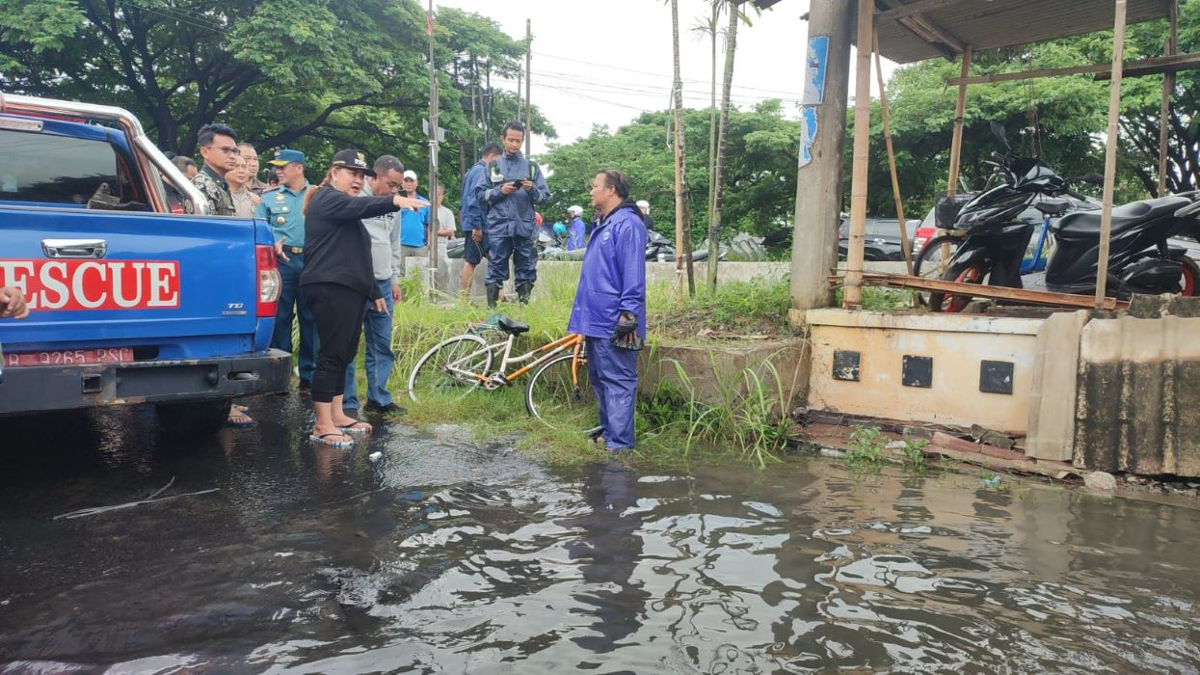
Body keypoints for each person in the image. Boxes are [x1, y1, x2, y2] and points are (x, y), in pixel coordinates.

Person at [300, 149, 427, 447]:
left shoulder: (346, 207)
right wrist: (395, 200)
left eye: (361, 175)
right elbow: (363, 208)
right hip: (329, 286)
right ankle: (321, 424)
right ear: (334, 173)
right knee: (331, 355)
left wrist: (373, 292)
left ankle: (338, 414)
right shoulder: (327, 198)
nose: (357, 180)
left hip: (350, 288)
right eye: (351, 173)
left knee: (344, 353)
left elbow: (359, 256)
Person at [567, 170, 648, 452]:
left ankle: (620, 445)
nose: (591, 191)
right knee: (600, 380)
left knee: (619, 381)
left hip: (616, 321)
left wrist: (628, 317)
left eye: (595, 186)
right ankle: (608, 433)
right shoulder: (603, 223)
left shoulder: (628, 224)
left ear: (611, 190)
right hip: (594, 320)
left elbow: (633, 277)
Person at [343, 155, 407, 417]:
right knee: (346, 344)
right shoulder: (355, 201)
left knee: (381, 343)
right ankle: (347, 402)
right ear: (374, 177)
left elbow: (394, 245)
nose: (394, 191)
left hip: (382, 282)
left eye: (398, 187)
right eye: (391, 184)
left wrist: (393, 279)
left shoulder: (394, 206)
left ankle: (378, 398)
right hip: (355, 283)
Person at [258, 148, 319, 391]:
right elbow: (259, 228)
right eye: (276, 167)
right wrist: (271, 243)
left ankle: (310, 375)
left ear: (299, 168)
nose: (278, 171)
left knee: (311, 318)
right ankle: (280, 375)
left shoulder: (318, 195)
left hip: (312, 260)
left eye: (283, 166)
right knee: (280, 318)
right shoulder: (269, 198)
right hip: (281, 263)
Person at [475, 121, 549, 307]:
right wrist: (500, 191)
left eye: (518, 141)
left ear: (523, 141)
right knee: (495, 265)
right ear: (503, 140)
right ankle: (491, 308)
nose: (514, 144)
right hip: (499, 226)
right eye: (511, 140)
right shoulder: (492, 167)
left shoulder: (531, 167)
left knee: (526, 265)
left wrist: (532, 190)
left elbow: (545, 197)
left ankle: (524, 307)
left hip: (524, 225)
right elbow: (480, 195)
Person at [460, 142, 502, 295]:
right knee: (471, 261)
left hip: (482, 224)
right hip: (478, 225)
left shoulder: (473, 171)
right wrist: (476, 226)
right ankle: (464, 299)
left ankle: (500, 296)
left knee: (494, 259)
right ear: (492, 156)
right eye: (498, 160)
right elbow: (474, 199)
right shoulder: (481, 171)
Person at [191, 124, 238, 216]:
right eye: (225, 150)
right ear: (205, 152)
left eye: (234, 151)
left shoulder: (220, 185)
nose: (232, 156)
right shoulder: (202, 185)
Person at [398, 169, 430, 274]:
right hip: (401, 244)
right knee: (400, 276)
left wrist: (429, 243)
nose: (408, 183)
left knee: (420, 275)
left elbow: (428, 224)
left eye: (411, 181)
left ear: (417, 183)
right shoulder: (396, 201)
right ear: (402, 183)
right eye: (406, 181)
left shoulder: (424, 203)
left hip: (420, 245)